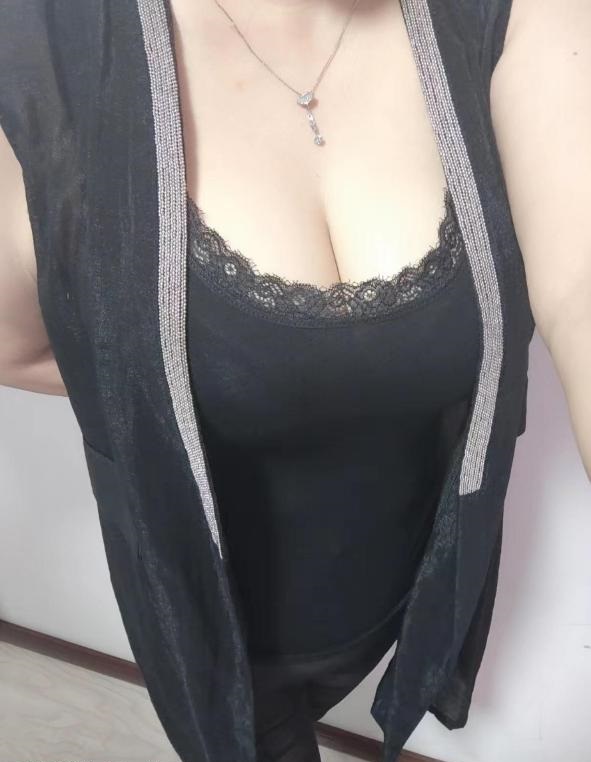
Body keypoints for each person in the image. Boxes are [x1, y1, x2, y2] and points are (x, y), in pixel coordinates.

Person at [0, 1, 589, 761]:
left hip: (409, 572)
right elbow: (13, 347)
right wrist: (143, 390)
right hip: (217, 614)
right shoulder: (40, 49)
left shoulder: (515, 14)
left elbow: (580, 290)